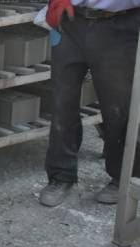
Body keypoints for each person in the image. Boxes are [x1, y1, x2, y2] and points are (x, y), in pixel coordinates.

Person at [38, 0, 140, 207]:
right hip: (70, 20)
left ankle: (123, 177)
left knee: (118, 107)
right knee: (61, 104)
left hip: (120, 24)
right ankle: (61, 177)